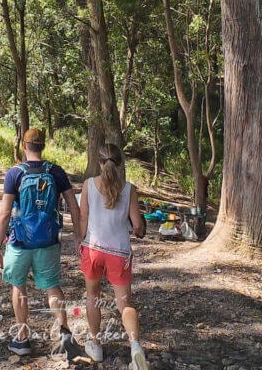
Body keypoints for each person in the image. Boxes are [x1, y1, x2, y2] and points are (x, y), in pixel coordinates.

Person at [0, 128, 83, 359]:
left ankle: (22, 339)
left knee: (19, 286)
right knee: (52, 286)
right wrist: (78, 237)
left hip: (19, 243)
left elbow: (4, 214)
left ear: (24, 146)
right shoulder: (56, 172)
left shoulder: (15, 174)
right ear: (43, 146)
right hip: (48, 241)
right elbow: (74, 206)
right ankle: (64, 333)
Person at [78, 143, 148, 370]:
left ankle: (96, 345)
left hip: (93, 249)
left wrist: (80, 240)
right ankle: (135, 347)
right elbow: (137, 226)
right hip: (119, 252)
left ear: (98, 161)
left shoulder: (88, 185)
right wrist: (138, 228)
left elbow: (83, 219)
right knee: (124, 303)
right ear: (120, 163)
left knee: (92, 296)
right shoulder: (129, 189)